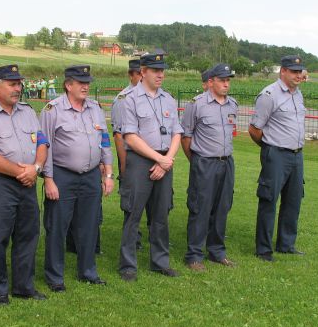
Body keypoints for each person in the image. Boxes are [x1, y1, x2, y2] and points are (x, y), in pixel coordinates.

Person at [0, 64, 49, 305]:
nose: (18, 88)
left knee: (28, 234)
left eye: (19, 84)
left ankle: (24, 286)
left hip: (28, 180)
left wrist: (35, 168)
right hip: (1, 184)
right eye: (12, 84)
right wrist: (21, 172)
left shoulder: (27, 111)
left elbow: (42, 142)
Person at [41, 65, 114, 292]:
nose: (85, 86)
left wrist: (109, 174)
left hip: (91, 176)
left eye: (87, 82)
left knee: (90, 225)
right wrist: (49, 179)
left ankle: (88, 271)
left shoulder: (95, 109)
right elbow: (44, 146)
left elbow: (104, 141)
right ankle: (54, 276)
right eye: (80, 82)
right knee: (57, 227)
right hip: (62, 175)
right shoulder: (52, 110)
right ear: (68, 85)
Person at [119, 52, 183, 281]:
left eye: (162, 71)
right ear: (143, 72)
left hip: (165, 161)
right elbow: (130, 136)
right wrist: (158, 158)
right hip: (140, 161)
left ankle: (160, 262)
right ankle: (128, 265)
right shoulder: (130, 99)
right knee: (133, 213)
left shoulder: (168, 99)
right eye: (156, 71)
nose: (160, 75)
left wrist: (166, 162)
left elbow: (177, 132)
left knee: (161, 214)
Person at [248, 55, 307, 262]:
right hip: (276, 154)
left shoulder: (297, 94)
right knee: (269, 201)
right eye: (294, 72)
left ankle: (286, 244)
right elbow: (254, 129)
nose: (298, 75)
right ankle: (263, 249)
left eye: (300, 72)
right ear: (283, 71)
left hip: (296, 155)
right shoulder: (269, 95)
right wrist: (269, 148)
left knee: (293, 201)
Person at [181, 63, 238, 272]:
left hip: (226, 162)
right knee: (200, 208)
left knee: (222, 207)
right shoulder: (197, 104)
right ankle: (194, 255)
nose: (226, 84)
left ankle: (217, 251)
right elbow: (186, 137)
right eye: (222, 80)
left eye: (228, 80)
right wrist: (196, 161)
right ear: (211, 82)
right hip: (204, 162)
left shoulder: (233, 104)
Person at [111, 58, 151, 250]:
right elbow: (119, 136)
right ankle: (133, 239)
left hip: (152, 158)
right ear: (132, 75)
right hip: (132, 158)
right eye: (138, 73)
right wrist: (123, 165)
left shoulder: (154, 96)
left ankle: (155, 236)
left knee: (158, 202)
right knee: (132, 202)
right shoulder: (123, 99)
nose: (142, 76)